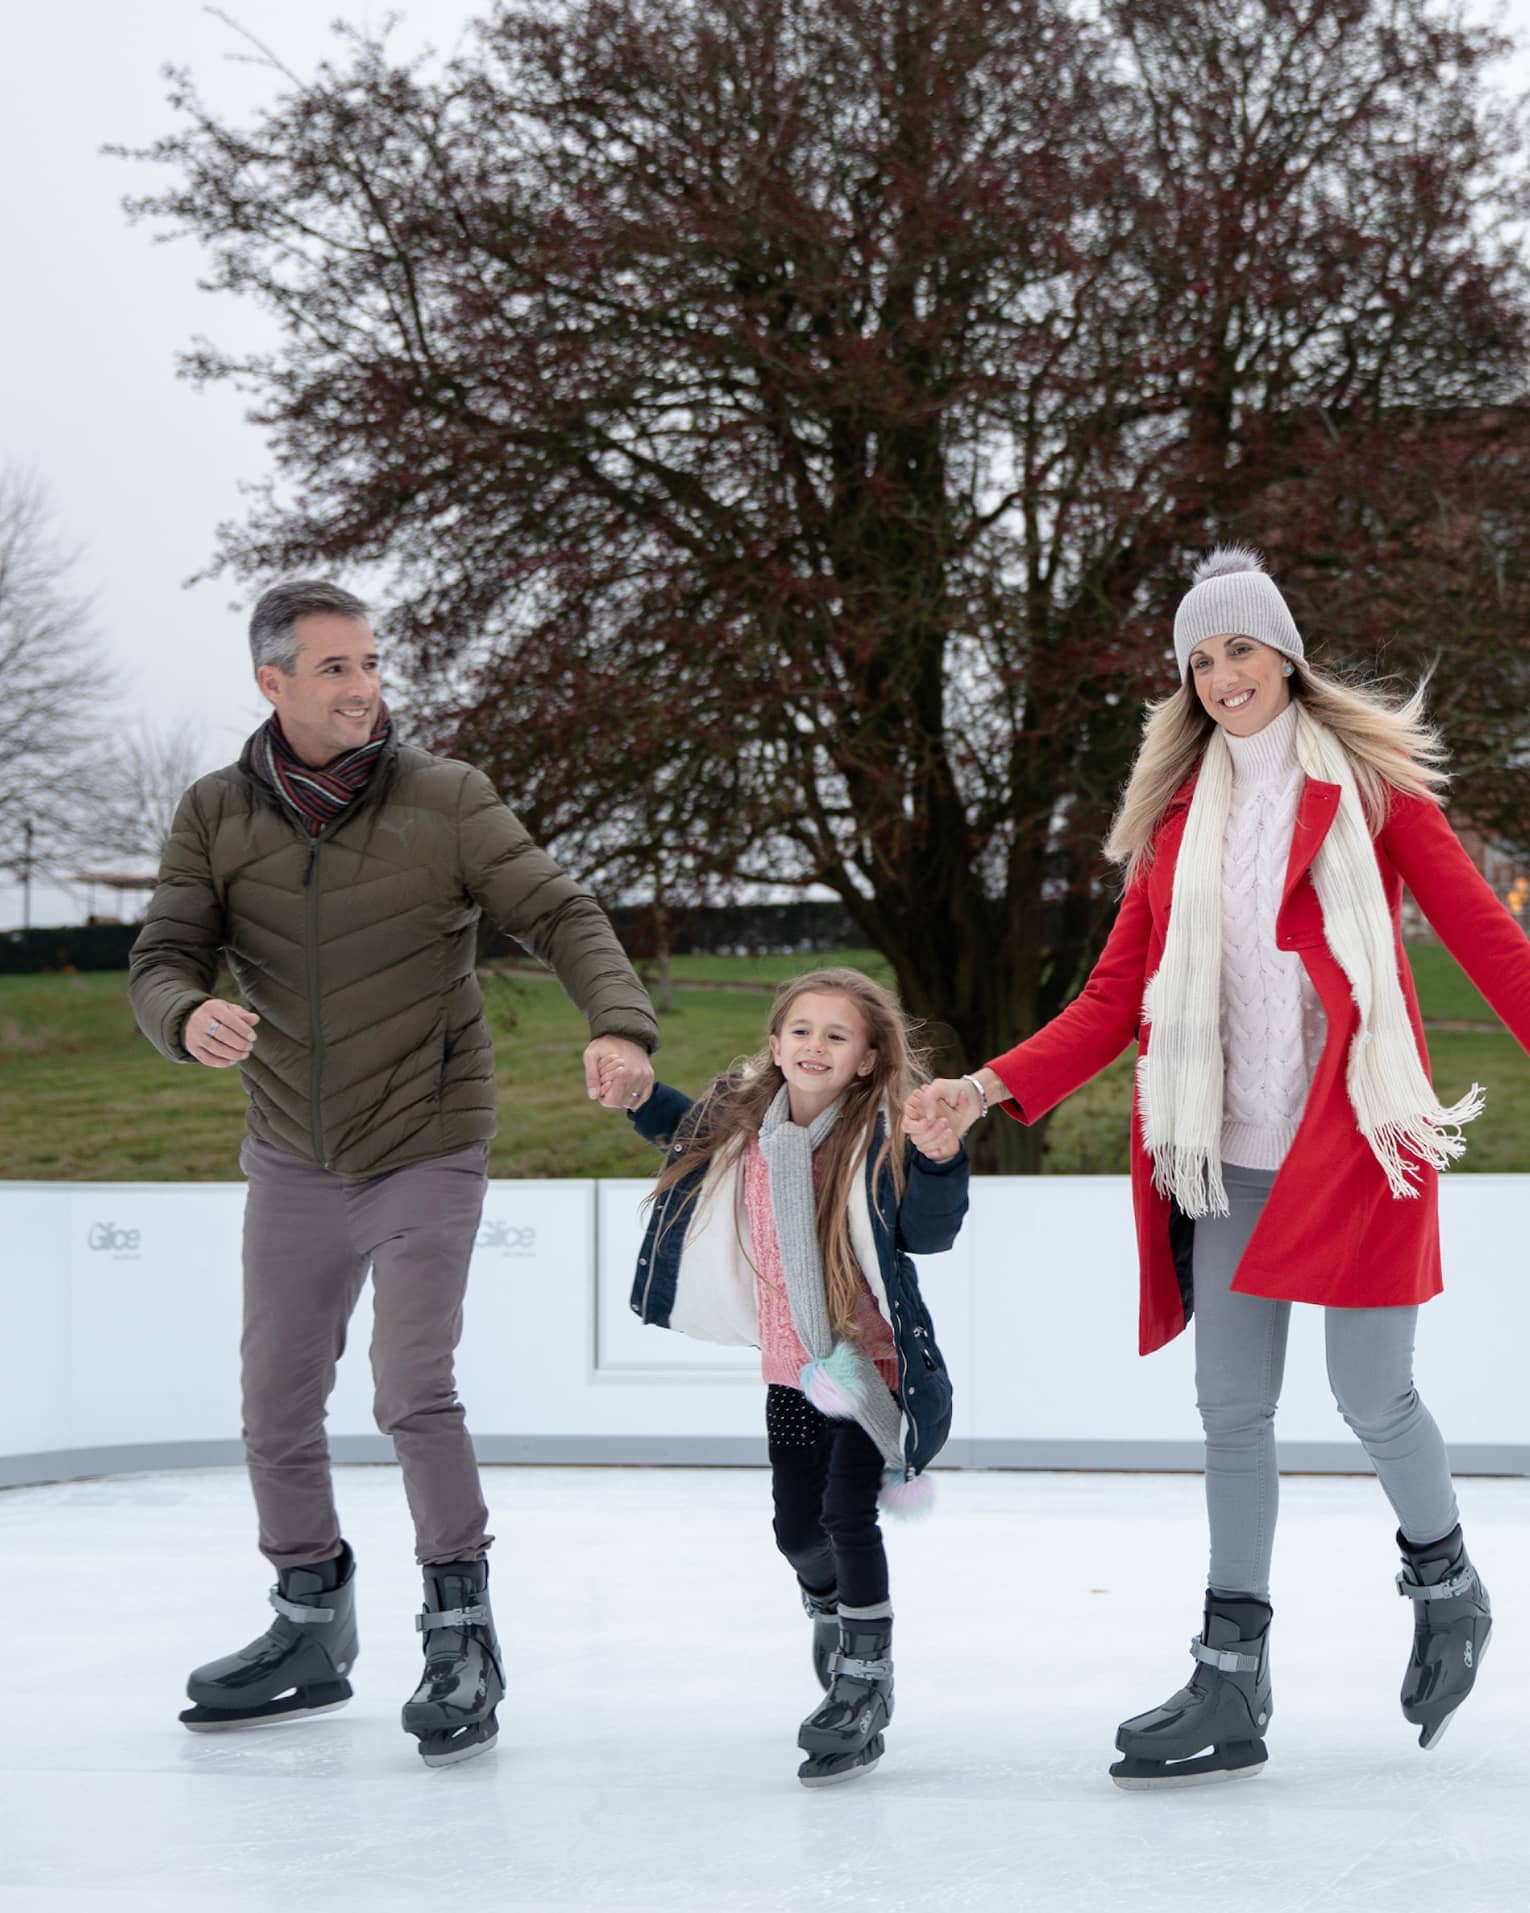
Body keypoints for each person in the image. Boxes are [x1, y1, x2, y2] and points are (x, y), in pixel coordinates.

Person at [909, 547, 1530, 1787]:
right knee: (1231, 1411)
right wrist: (983, 1087)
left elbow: (1486, 938)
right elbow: (1110, 1000)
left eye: (1239, 648)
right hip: (1229, 1156)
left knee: (1372, 1397)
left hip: (1359, 1141)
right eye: (1200, 659)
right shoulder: (1176, 830)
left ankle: (1447, 1580)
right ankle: (1231, 1676)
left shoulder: (1375, 792)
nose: (1221, 674)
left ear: (1284, 654)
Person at [129, 579, 658, 1767]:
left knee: (412, 1382)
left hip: (425, 1129)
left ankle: (460, 1627)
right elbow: (162, 953)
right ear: (272, 683)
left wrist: (619, 1023)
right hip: (291, 1146)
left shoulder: (447, 799)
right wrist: (184, 1014)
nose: (365, 684)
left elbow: (563, 911)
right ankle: (310, 1615)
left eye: (370, 661)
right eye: (334, 668)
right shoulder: (216, 812)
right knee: (274, 1396)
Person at [610, 967, 967, 1785]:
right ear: (775, 1044)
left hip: (867, 1369)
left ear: (869, 1060)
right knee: (796, 1529)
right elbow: (676, 1125)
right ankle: (830, 1606)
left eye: (836, 1035)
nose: (814, 1046)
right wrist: (636, 1091)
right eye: (801, 1030)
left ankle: (865, 1676)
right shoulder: (746, 1125)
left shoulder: (877, 1141)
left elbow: (927, 1228)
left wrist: (941, 1160)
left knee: (847, 1513)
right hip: (791, 1370)